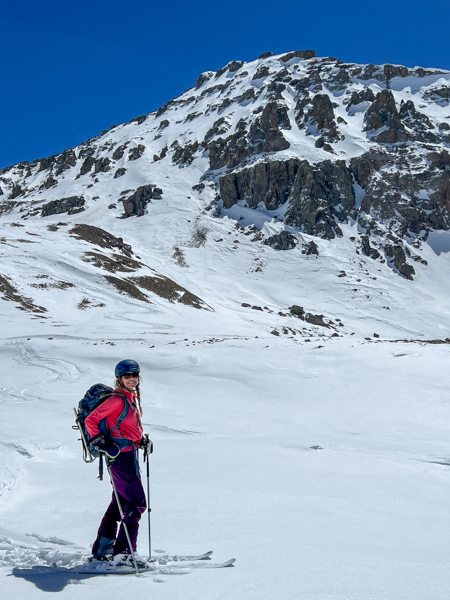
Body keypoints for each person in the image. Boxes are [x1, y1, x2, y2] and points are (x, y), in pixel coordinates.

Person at [85, 359, 148, 567]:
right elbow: (91, 421)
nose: (132, 379)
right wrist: (101, 443)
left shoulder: (130, 399)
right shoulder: (118, 400)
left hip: (128, 454)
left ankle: (102, 550)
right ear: (119, 379)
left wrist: (141, 441)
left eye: (134, 375)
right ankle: (124, 554)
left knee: (119, 504)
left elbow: (125, 427)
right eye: (127, 376)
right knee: (135, 504)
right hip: (120, 457)